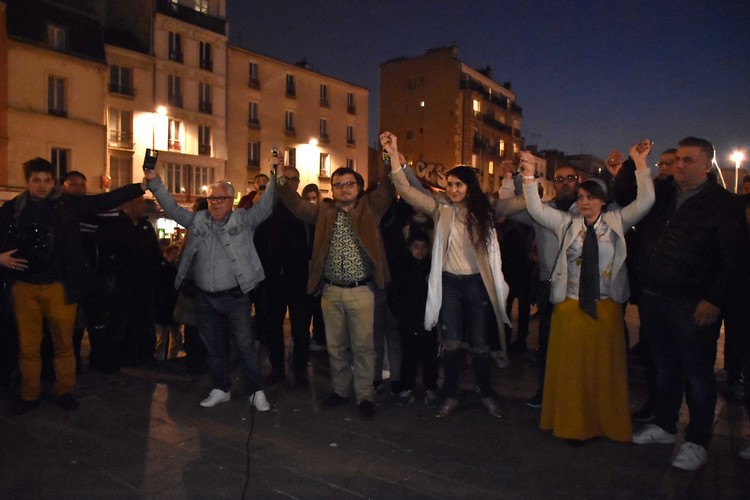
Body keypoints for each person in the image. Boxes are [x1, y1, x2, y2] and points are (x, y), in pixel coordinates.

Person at [622, 137, 749, 470]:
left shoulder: (724, 204)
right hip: (654, 297)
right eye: (677, 158)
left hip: (692, 302)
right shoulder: (663, 194)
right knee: (664, 367)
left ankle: (696, 440)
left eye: (688, 160)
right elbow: (625, 196)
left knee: (697, 373)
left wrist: (714, 299)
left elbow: (733, 258)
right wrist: (636, 162)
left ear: (707, 165)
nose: (679, 164)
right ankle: (665, 426)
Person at [519, 140, 655, 444]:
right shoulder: (567, 223)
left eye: (591, 197)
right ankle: (572, 424)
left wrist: (640, 163)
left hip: (605, 307)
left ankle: (603, 422)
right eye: (581, 197)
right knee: (572, 372)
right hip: (570, 307)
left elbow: (646, 201)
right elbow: (535, 209)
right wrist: (528, 176)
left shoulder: (616, 221)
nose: (584, 202)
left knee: (603, 371)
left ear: (603, 201)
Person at [0, 157, 146, 414]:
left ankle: (64, 390)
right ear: (27, 181)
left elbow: (104, 200)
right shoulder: (12, 208)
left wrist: (140, 187)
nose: (42, 185)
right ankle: (30, 393)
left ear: (53, 181)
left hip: (58, 285)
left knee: (64, 343)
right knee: (28, 346)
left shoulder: (66, 204)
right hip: (24, 286)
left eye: (47, 180)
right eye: (36, 180)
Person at [382, 131, 510, 419]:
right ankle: (451, 395)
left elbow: (515, 205)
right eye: (450, 184)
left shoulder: (484, 212)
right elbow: (407, 189)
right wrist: (394, 156)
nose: (452, 189)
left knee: (479, 344)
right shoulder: (441, 209)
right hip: (450, 283)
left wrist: (522, 178)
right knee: (450, 343)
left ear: (469, 187)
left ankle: (486, 393)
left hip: (477, 284)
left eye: (458, 184)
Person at [144, 164, 275, 412]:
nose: (215, 202)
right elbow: (172, 209)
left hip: (235, 298)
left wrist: (275, 174)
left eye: (221, 198)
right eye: (212, 198)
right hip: (204, 299)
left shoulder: (242, 219)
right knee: (213, 347)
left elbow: (266, 205)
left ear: (231, 201)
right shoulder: (198, 220)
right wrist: (155, 182)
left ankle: (255, 391)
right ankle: (220, 388)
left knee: (245, 346)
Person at [276, 162, 395, 420]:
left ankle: (365, 395)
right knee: (336, 346)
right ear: (332, 189)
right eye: (338, 185)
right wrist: (279, 177)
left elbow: (387, 188)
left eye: (349, 184)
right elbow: (295, 205)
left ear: (359, 187)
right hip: (331, 292)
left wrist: (389, 159)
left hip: (361, 291)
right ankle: (341, 390)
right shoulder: (324, 212)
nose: (344, 189)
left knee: (363, 347)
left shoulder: (370, 208)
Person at [495, 161, 582, 408]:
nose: (565, 183)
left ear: (578, 182)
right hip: (549, 284)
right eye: (559, 179)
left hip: (579, 287)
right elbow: (509, 208)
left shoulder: (587, 209)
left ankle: (574, 395)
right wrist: (516, 177)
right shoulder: (542, 210)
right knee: (548, 342)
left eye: (570, 178)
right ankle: (546, 391)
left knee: (577, 346)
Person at [256, 166, 312, 388]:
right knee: (273, 327)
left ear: (298, 182)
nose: (289, 183)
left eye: (293, 179)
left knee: (301, 329)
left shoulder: (305, 210)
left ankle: (300, 370)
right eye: (285, 179)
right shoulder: (267, 208)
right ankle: (277, 368)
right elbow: (258, 242)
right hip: (272, 279)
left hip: (299, 279)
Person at [388, 231, 440, 408]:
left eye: (423, 247)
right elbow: (394, 292)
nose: (420, 251)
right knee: (408, 357)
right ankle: (407, 387)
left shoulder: (432, 268)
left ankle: (431, 387)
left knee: (429, 357)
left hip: (427, 321)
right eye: (416, 247)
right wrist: (399, 313)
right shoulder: (403, 268)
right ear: (409, 248)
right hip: (408, 320)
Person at [112, 196, 161, 367]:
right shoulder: (118, 226)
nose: (143, 206)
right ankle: (124, 354)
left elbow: (154, 252)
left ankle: (144, 353)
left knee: (145, 319)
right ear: (128, 205)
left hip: (144, 282)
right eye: (139, 202)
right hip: (124, 281)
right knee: (124, 319)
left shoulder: (145, 226)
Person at [300, 184, 326, 352]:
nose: (311, 201)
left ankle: (318, 338)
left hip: (319, 269)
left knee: (318, 309)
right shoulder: (302, 219)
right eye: (308, 198)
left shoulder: (322, 219)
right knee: (305, 309)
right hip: (304, 270)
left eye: (314, 198)